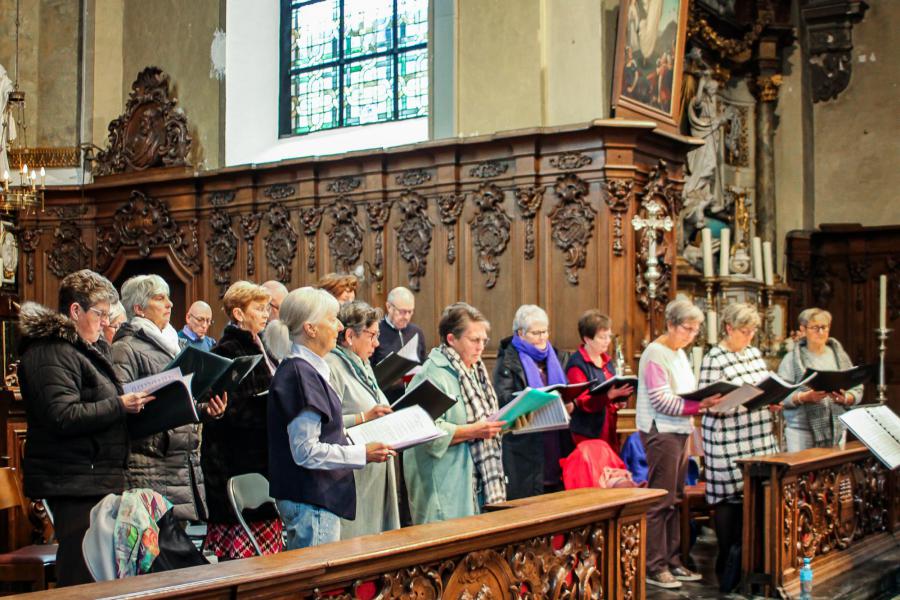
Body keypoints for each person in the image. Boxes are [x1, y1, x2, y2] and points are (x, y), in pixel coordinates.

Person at [17, 270, 151, 586]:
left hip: (94, 476)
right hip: (72, 480)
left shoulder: (87, 350)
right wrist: (120, 405)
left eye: (108, 315)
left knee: (101, 573)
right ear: (75, 311)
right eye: (100, 314)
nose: (106, 322)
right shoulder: (49, 350)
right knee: (81, 573)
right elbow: (62, 415)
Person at [264, 287, 394, 549]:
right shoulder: (300, 374)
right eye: (331, 318)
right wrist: (361, 454)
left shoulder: (308, 368)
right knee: (317, 587)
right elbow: (306, 451)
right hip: (311, 500)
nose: (337, 325)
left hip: (316, 498)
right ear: (311, 328)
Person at [111, 274, 226, 522]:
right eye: (159, 298)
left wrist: (206, 410)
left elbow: (186, 398)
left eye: (168, 298)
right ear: (139, 308)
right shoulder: (126, 347)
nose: (170, 304)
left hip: (181, 462)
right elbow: (121, 402)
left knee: (178, 544)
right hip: (149, 463)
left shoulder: (175, 344)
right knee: (156, 548)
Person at [636, 299, 721, 589]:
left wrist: (701, 401)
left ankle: (672, 559)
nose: (691, 335)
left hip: (680, 430)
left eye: (696, 331)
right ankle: (653, 565)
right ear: (670, 324)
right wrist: (701, 405)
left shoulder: (679, 353)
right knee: (661, 500)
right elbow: (661, 400)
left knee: (675, 498)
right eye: (687, 329)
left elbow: (685, 394)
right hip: (661, 432)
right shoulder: (655, 353)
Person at [698, 303, 779, 592]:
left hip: (757, 435)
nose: (750, 336)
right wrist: (738, 400)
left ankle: (752, 565)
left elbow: (763, 386)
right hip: (726, 438)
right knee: (729, 501)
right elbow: (710, 404)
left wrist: (771, 397)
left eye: (753, 330)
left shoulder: (754, 353)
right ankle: (727, 569)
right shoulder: (714, 358)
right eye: (745, 331)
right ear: (729, 328)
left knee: (756, 500)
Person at [404, 302, 506, 524]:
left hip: (477, 480)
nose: (481, 347)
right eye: (474, 340)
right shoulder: (432, 374)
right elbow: (421, 431)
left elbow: (487, 418)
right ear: (451, 339)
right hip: (445, 487)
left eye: (483, 340)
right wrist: (473, 431)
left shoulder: (476, 370)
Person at [202, 282, 282, 560]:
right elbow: (227, 411)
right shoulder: (226, 351)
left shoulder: (262, 344)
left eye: (267, 308)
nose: (266, 314)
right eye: (258, 309)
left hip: (262, 456)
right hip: (238, 460)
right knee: (245, 562)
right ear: (238, 313)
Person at [325, 300, 399, 538]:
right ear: (349, 335)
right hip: (354, 473)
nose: (377, 343)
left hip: (375, 469)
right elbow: (327, 424)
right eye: (372, 335)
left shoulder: (362, 364)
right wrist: (363, 417)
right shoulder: (331, 366)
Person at [493, 304, 571, 499]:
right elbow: (503, 398)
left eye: (545, 331)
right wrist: (530, 401)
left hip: (555, 436)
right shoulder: (508, 360)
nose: (543, 337)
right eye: (536, 333)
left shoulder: (557, 356)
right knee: (530, 500)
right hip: (525, 442)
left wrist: (570, 401)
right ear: (521, 333)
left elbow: (564, 388)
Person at [777, 308, 863, 452]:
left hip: (836, 427)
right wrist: (804, 397)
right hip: (801, 430)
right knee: (801, 472)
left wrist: (846, 398)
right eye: (815, 327)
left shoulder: (839, 356)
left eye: (824, 327)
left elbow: (856, 386)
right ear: (803, 329)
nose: (821, 332)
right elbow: (780, 394)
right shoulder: (791, 359)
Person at [565, 310, 634, 453]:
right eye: (602, 337)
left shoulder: (606, 360)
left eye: (609, 336)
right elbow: (580, 401)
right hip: (587, 431)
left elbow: (612, 389)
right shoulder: (577, 364)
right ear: (587, 339)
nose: (608, 341)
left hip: (608, 426)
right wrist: (608, 396)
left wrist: (618, 400)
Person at [371, 286, 427, 402]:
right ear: (389, 307)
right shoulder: (376, 331)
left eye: (410, 312)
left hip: (412, 396)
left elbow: (423, 363)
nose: (406, 317)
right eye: (402, 312)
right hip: (385, 398)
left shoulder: (416, 332)